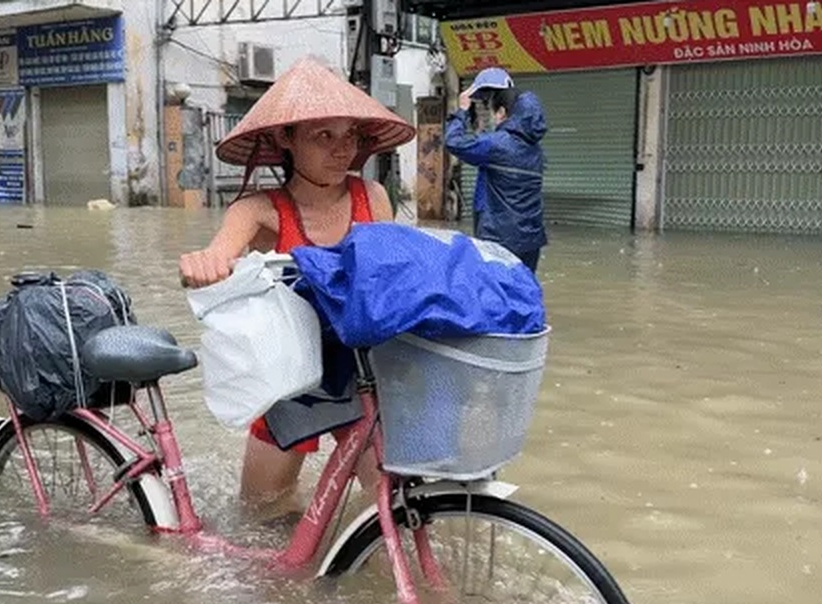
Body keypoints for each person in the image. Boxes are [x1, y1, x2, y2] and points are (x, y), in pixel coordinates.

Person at [178, 57, 416, 522]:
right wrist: (207, 263)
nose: (341, 149)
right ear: (286, 139)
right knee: (261, 519)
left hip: (363, 376)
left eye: (349, 135)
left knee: (393, 511)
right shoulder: (261, 210)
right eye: (323, 136)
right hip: (290, 381)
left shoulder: (374, 197)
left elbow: (397, 274)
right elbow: (223, 248)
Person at [444, 67, 549, 273]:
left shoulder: (497, 145)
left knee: (495, 294)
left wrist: (462, 111)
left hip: (499, 239)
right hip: (531, 240)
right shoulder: (536, 151)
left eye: (492, 111)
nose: (492, 117)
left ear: (501, 113)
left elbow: (453, 142)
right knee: (522, 293)